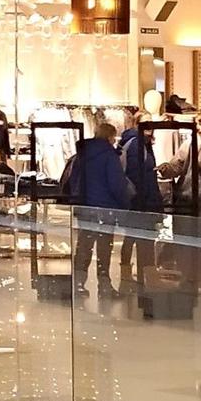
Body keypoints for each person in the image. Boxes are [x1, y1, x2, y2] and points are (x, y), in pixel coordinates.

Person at [68, 123, 132, 290]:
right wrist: (125, 205)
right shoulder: (109, 155)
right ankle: (104, 284)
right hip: (105, 208)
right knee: (104, 248)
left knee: (84, 246)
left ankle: (79, 283)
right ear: (110, 137)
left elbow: (74, 179)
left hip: (85, 206)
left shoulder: (81, 154)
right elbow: (116, 184)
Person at [118, 110, 165, 285]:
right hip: (138, 201)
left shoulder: (144, 145)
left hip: (143, 200)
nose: (150, 128)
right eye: (145, 124)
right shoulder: (136, 145)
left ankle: (135, 276)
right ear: (137, 125)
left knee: (135, 238)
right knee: (136, 238)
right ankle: (141, 277)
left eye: (151, 124)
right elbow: (136, 176)